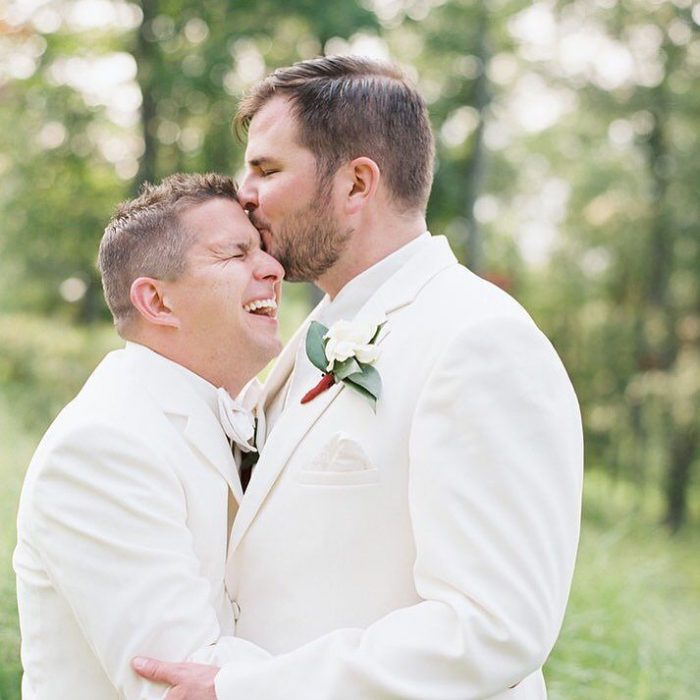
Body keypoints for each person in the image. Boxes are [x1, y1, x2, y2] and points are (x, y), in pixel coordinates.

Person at [133, 56, 584, 700]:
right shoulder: (312, 336)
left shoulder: (479, 341)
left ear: (355, 184)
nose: (244, 193)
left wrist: (251, 688)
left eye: (267, 169)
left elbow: (493, 629)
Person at [13, 173, 284, 699]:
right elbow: (177, 679)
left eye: (265, 251)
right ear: (157, 302)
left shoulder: (233, 408)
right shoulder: (102, 446)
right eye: (235, 254)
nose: (273, 268)